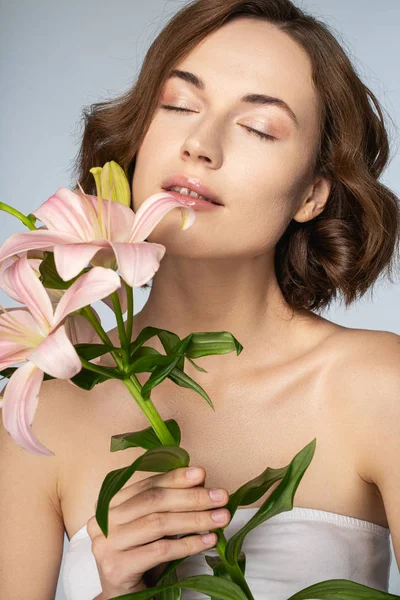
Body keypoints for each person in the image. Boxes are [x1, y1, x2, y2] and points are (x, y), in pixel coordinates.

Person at [1, 1, 400, 599]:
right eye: (179, 106)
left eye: (259, 128)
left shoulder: (379, 385)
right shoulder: (46, 404)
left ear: (312, 195)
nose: (200, 145)